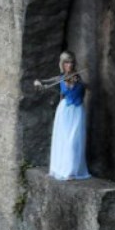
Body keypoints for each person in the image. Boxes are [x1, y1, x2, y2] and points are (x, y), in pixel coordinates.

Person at [34, 51, 91, 180]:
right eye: (66, 62)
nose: (69, 65)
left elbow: (87, 87)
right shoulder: (60, 78)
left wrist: (81, 85)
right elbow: (44, 81)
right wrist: (39, 83)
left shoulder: (78, 78)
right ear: (62, 64)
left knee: (73, 141)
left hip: (77, 111)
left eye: (71, 62)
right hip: (64, 110)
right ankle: (57, 168)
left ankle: (71, 170)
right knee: (62, 140)